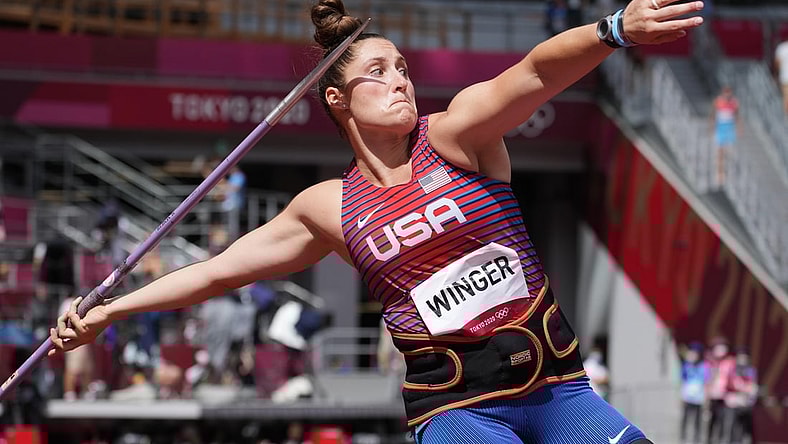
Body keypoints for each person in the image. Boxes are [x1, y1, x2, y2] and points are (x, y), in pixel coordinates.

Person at [50, 0, 704, 442]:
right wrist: (108, 310)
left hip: (559, 391)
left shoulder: (455, 136)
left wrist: (613, 28)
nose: (401, 82)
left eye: (403, 69)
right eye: (378, 73)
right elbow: (217, 273)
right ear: (337, 100)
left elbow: (534, 71)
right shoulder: (329, 207)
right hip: (455, 411)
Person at [705, 336, 735, 444]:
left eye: (723, 347)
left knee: (723, 421)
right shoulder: (709, 363)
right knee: (711, 422)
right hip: (712, 396)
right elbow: (706, 380)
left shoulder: (730, 363)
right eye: (719, 348)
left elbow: (732, 379)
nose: (721, 350)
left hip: (723, 397)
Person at [724, 348, 757, 444]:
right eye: (740, 357)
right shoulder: (732, 370)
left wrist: (747, 393)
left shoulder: (751, 370)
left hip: (746, 403)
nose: (742, 359)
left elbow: (752, 387)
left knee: (747, 427)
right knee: (733, 426)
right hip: (734, 402)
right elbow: (728, 385)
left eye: (745, 357)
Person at [709, 85, 739, 188]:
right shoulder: (718, 101)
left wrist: (739, 127)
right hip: (721, 128)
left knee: (728, 151)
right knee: (720, 152)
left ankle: (728, 171)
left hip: (729, 128)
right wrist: (712, 126)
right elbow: (713, 114)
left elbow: (737, 115)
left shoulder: (734, 102)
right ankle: (720, 173)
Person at [679, 342, 708, 444]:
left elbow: (705, 383)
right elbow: (683, 381)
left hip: (698, 399)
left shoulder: (703, 367)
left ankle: (697, 439)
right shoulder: (686, 366)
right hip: (688, 397)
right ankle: (683, 438)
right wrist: (681, 396)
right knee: (685, 419)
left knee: (697, 421)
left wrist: (705, 399)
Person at [776, 38, 788, 114]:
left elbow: (777, 63)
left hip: (785, 78)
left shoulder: (782, 48)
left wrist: (775, 74)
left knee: (786, 99)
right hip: (785, 78)